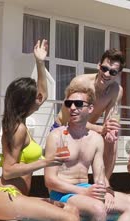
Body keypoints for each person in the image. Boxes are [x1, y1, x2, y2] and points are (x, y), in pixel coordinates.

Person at [0, 40, 82, 221]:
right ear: (26, 102)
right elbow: (8, 171)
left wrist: (40, 63)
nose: (40, 100)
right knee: (70, 219)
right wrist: (46, 162)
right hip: (5, 196)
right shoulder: (17, 129)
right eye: (35, 98)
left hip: (17, 197)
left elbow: (43, 93)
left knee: (73, 210)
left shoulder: (19, 122)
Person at [44, 85, 130, 221]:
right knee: (98, 208)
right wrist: (84, 191)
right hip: (63, 193)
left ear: (90, 108)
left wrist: (105, 191)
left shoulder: (96, 139)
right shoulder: (56, 136)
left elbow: (99, 175)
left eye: (78, 104)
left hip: (86, 190)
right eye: (69, 104)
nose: (73, 108)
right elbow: (50, 180)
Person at [52, 49, 125, 179]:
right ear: (98, 65)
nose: (107, 74)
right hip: (64, 129)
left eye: (113, 72)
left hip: (86, 131)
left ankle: (104, 184)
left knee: (113, 141)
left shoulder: (116, 90)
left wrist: (111, 131)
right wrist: (100, 129)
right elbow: (70, 116)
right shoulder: (81, 83)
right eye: (104, 68)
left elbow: (112, 117)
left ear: (118, 74)